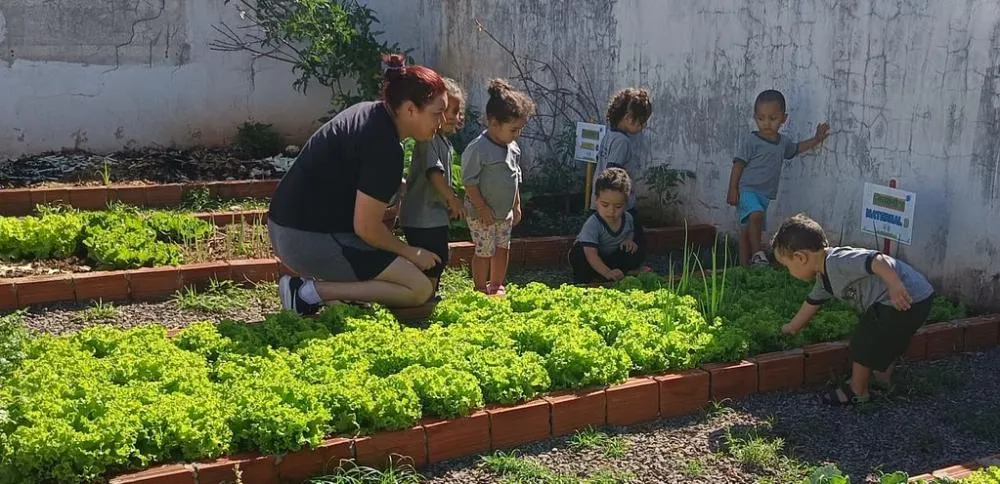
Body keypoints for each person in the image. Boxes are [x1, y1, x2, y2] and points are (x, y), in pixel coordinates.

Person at [267, 54, 447, 316]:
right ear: (410, 109)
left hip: (287, 228)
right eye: (437, 113)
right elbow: (366, 228)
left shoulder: (371, 112)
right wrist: (410, 252)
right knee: (418, 288)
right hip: (306, 240)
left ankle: (340, 294)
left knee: (395, 269)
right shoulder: (384, 147)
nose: (441, 123)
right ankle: (307, 293)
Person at [771, 213, 935, 405]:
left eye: (787, 266)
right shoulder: (825, 280)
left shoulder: (838, 261)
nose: (789, 272)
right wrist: (790, 328)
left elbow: (878, 260)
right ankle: (882, 378)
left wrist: (894, 285)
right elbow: (811, 304)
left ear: (800, 258)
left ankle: (857, 390)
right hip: (920, 298)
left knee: (863, 340)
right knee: (890, 339)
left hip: (902, 298)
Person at [726, 89, 831, 267]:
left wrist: (816, 139)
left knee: (746, 232)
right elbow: (738, 165)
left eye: (772, 119)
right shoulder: (752, 141)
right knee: (756, 216)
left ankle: (744, 268)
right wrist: (733, 189)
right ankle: (758, 253)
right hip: (747, 190)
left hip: (764, 194)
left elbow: (796, 149)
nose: (766, 123)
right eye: (761, 118)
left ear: (783, 118)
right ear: (755, 117)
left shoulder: (783, 143)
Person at [462, 79, 536, 296]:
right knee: (484, 251)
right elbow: (469, 182)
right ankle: (479, 288)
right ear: (493, 123)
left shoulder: (512, 147)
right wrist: (482, 207)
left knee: (503, 249)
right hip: (482, 214)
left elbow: (515, 178)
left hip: (505, 213)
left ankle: (497, 285)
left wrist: (517, 205)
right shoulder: (478, 148)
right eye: (513, 129)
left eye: (520, 129)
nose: (517, 135)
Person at [399, 77, 466, 300]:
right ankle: (423, 295)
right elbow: (434, 173)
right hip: (422, 215)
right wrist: (452, 198)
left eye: (457, 112)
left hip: (432, 214)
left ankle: (428, 293)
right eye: (448, 111)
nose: (454, 117)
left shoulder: (442, 140)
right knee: (433, 257)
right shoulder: (428, 139)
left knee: (438, 256)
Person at [589, 87, 653, 249]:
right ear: (629, 118)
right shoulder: (622, 142)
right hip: (620, 204)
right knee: (636, 238)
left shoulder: (608, 135)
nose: (643, 126)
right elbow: (613, 173)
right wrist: (617, 205)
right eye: (642, 122)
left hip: (602, 201)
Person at [570, 167, 648, 283]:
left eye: (618, 207)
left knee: (633, 248)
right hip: (589, 257)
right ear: (596, 200)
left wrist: (628, 240)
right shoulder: (593, 223)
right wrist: (607, 272)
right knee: (579, 253)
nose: (611, 211)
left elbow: (630, 231)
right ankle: (588, 280)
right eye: (605, 205)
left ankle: (620, 273)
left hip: (610, 258)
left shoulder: (628, 218)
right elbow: (590, 253)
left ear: (625, 204)